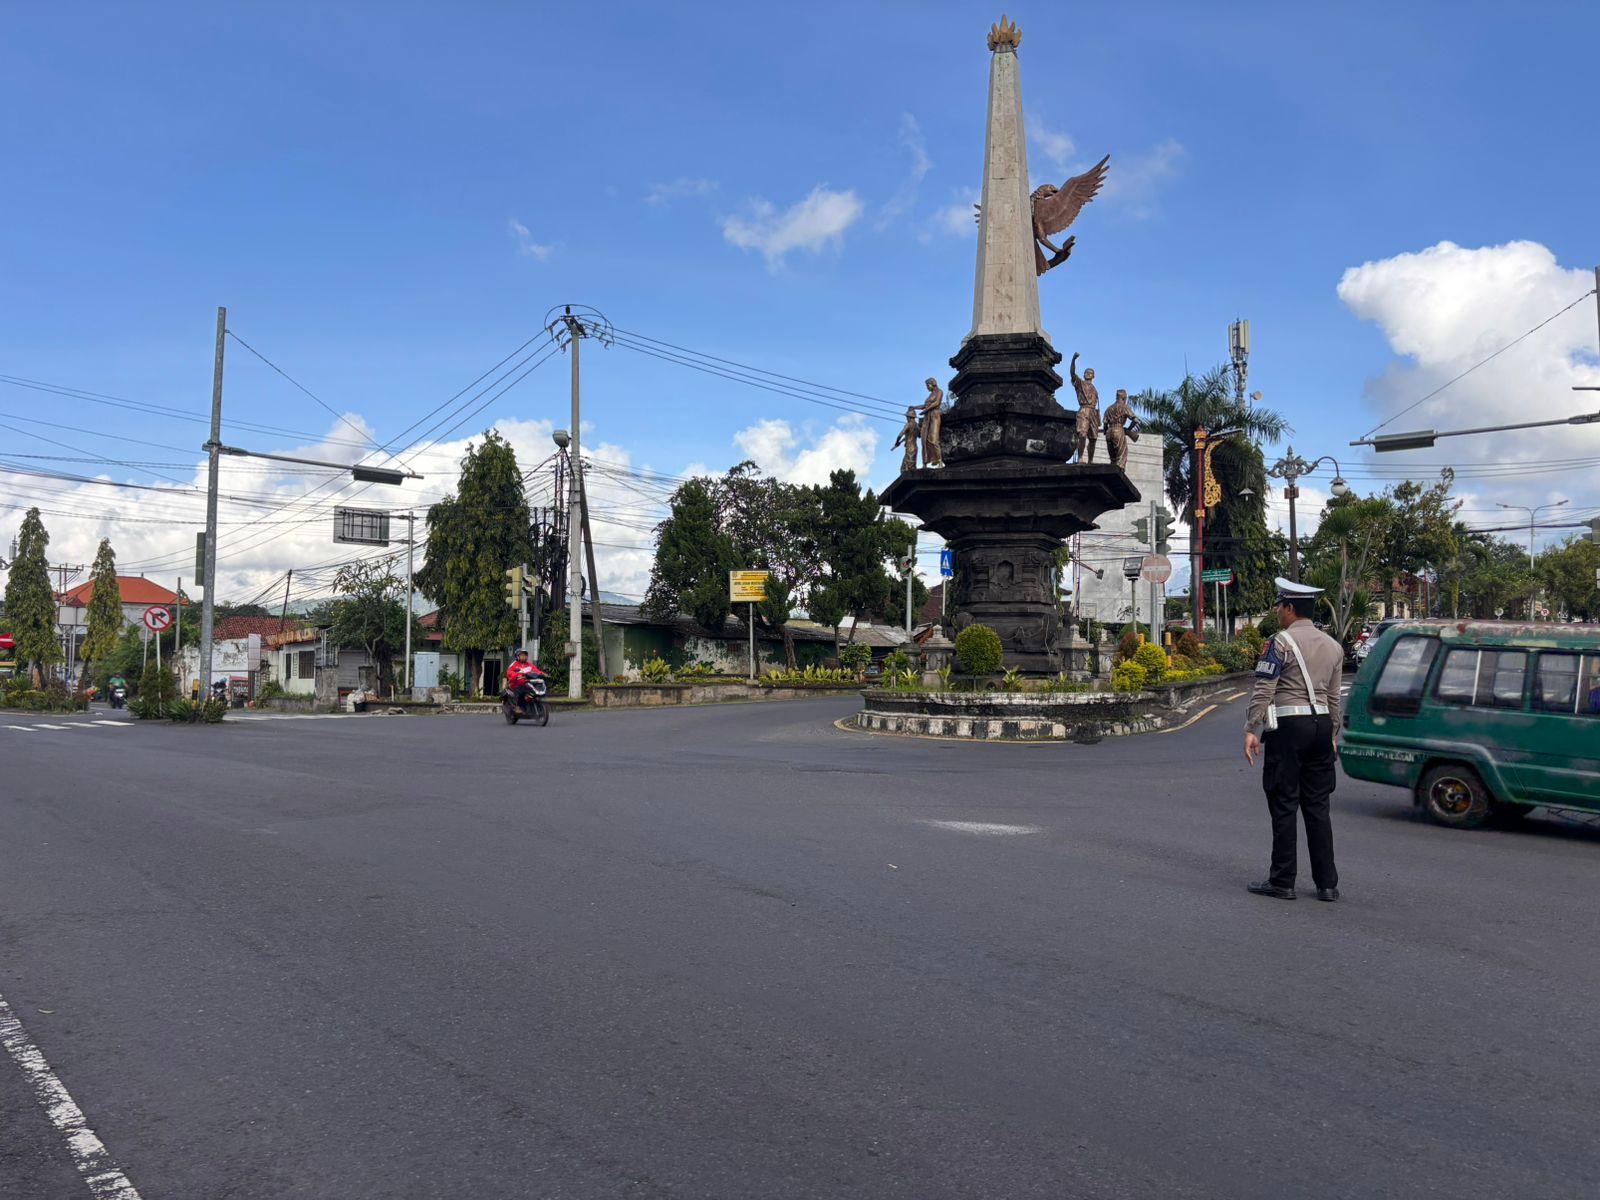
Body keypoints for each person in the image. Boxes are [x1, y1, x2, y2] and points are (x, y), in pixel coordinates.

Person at [1243, 578, 1345, 902]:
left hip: (1288, 728)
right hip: (1320, 728)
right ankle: (1327, 884)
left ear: (1289, 608)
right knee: (1317, 806)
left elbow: (1264, 689)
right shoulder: (1334, 646)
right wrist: (1332, 735)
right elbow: (1334, 698)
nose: (1277, 612)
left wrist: (1251, 728)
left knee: (1284, 802)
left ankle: (1282, 880)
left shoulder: (1279, 642)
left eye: (1278, 606)